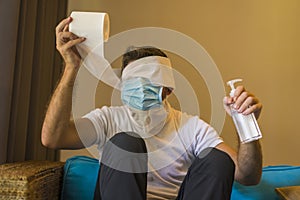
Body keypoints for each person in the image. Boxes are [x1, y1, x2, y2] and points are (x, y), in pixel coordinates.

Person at [42, 17, 263, 200]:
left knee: (217, 159)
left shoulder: (192, 128)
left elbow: (246, 175)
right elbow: (53, 138)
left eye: (146, 82)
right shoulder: (107, 119)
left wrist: (246, 125)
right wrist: (71, 67)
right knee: (125, 142)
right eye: (132, 82)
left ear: (168, 90)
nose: (138, 89)